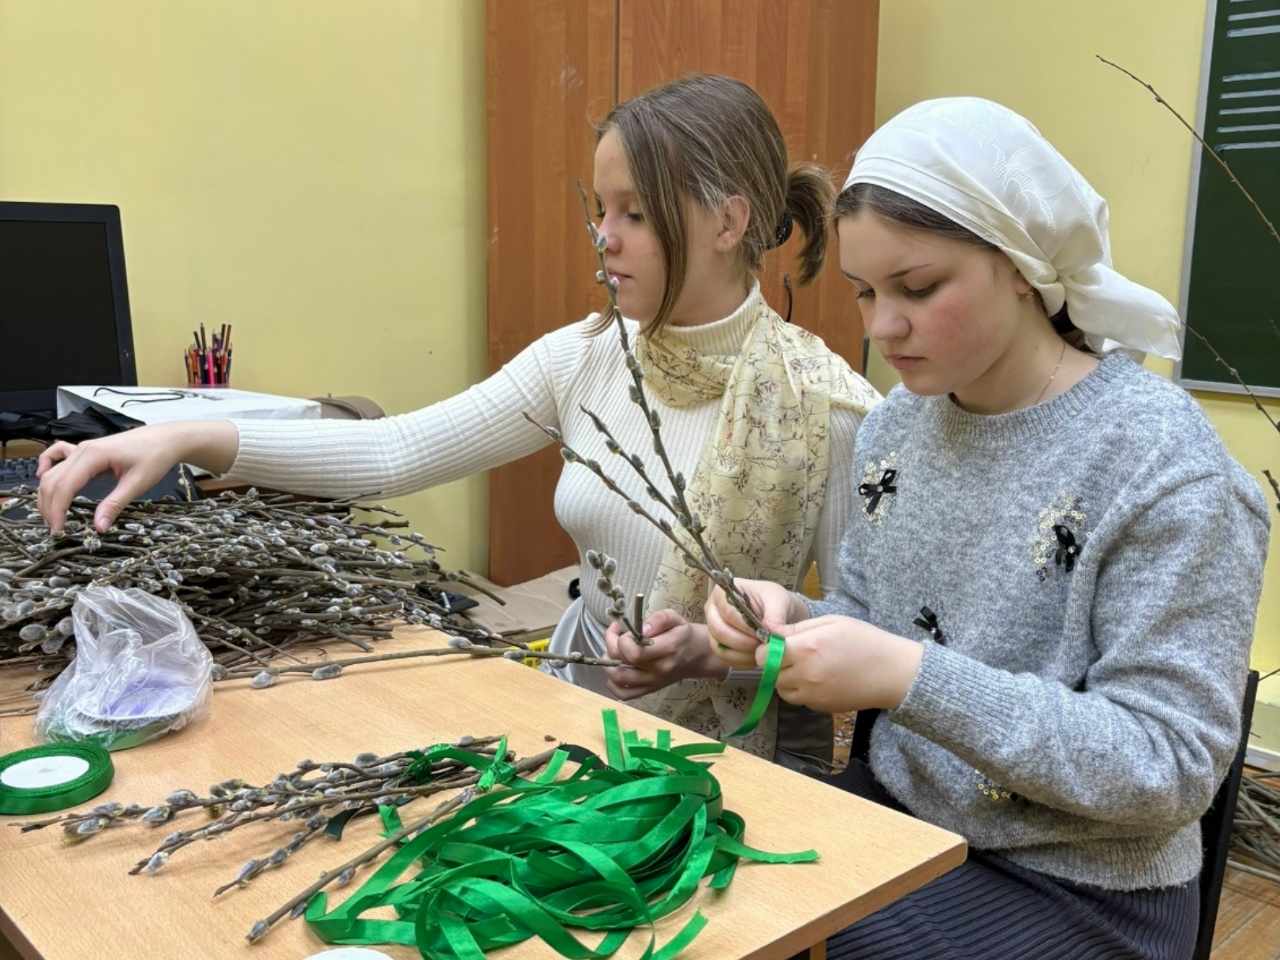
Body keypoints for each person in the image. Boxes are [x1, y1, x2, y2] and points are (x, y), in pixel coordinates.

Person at [36, 74, 881, 770]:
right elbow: (393, 451)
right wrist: (181, 437)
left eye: (634, 213)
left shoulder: (828, 409)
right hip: (578, 719)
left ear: (727, 222)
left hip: (729, 765)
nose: (603, 238)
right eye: (602, 209)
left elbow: (863, 632)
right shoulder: (586, 356)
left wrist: (719, 650)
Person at [705, 96, 1270, 959]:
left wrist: (906, 676)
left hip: (1082, 887)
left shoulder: (1164, 465)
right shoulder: (897, 428)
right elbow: (874, 620)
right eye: (864, 293)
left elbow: (1168, 764)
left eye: (918, 288)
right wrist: (792, 622)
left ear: (1023, 266)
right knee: (697, 891)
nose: (883, 327)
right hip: (904, 818)